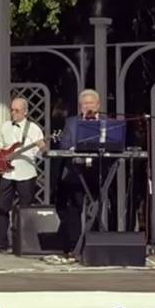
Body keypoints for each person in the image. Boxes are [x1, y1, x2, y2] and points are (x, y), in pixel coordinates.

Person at [0, 96, 47, 252]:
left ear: (25, 112)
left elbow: (42, 155)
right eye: (12, 110)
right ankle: (0, 243)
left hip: (26, 173)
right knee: (2, 208)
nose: (13, 113)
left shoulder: (34, 129)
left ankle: (25, 243)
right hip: (7, 173)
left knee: (25, 210)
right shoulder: (5, 127)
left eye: (17, 110)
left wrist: (43, 147)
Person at [56, 89, 106, 250]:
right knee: (74, 206)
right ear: (80, 106)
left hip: (98, 171)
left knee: (97, 206)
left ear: (98, 105)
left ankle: (96, 245)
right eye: (84, 104)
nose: (88, 106)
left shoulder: (106, 122)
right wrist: (75, 149)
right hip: (76, 171)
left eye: (91, 103)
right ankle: (74, 245)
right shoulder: (71, 122)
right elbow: (64, 144)